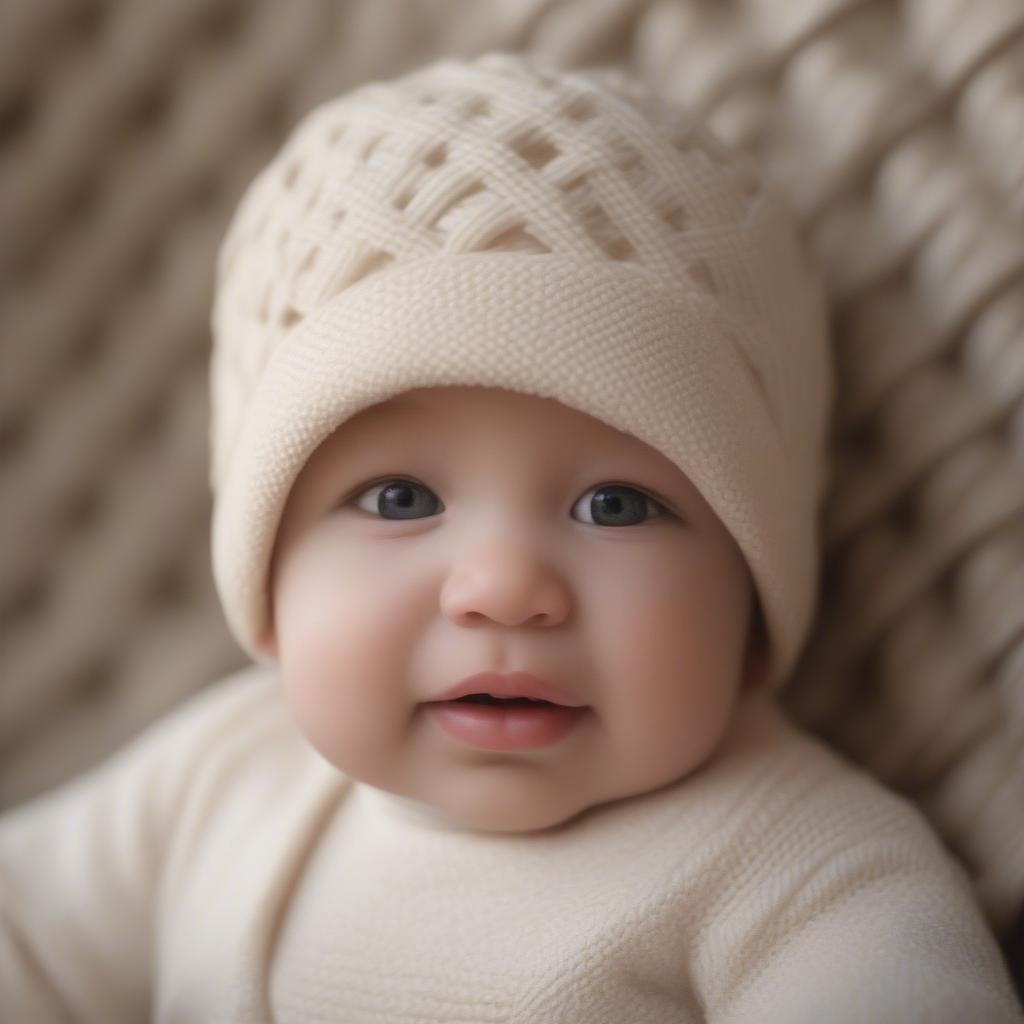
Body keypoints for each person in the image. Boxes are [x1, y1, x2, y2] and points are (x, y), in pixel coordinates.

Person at [2, 51, 1021, 1022]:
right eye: (399, 498)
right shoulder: (224, 779)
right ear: (265, 581)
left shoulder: (799, 871)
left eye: (615, 506)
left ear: (753, 597)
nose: (502, 588)